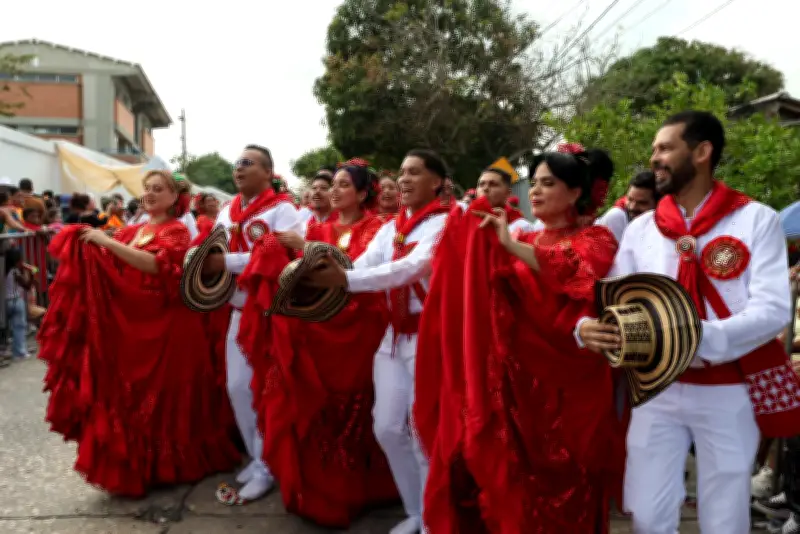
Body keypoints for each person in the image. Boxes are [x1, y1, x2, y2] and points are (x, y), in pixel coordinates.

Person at [577, 110, 795, 534]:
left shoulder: (756, 219)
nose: (654, 158)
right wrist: (586, 328)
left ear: (701, 152)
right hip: (656, 389)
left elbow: (772, 310)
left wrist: (691, 340)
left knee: (724, 514)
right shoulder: (644, 228)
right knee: (644, 511)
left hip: (729, 389)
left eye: (664, 148)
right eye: (655, 149)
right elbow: (614, 298)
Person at [417, 147, 625, 533]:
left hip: (573, 384)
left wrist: (509, 247)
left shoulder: (596, 238)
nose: (537, 192)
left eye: (549, 184)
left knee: (574, 476)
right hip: (521, 383)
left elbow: (577, 274)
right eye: (536, 183)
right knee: (519, 480)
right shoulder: (522, 234)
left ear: (575, 192)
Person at [37, 170, 240, 496]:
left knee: (165, 393)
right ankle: (144, 464)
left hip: (171, 325)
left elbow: (156, 266)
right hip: (140, 321)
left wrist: (105, 241)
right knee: (137, 395)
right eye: (146, 189)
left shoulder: (176, 231)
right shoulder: (137, 229)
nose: (149, 194)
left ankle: (173, 463)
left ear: (175, 197)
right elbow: (116, 258)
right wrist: (89, 243)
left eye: (158, 189)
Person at [303, 148, 451, 534]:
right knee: (385, 428)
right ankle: (416, 511)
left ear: (437, 182)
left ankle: (434, 521)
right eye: (401, 172)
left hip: (427, 339)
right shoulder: (392, 228)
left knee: (422, 433)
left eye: (414, 172)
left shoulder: (445, 223)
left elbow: (409, 268)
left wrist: (344, 279)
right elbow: (363, 264)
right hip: (392, 339)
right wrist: (318, 267)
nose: (403, 179)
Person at [263, 158, 398, 527]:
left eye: (342, 185)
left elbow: (356, 269)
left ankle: (365, 489)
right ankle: (320, 491)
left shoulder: (378, 227)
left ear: (361, 192)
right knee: (317, 407)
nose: (334, 190)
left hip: (358, 329)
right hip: (317, 329)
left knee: (355, 405)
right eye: (332, 184)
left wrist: (304, 246)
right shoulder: (318, 226)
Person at [201, 144, 303, 505]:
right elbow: (211, 252)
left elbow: (280, 257)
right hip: (237, 311)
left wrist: (224, 262)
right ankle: (259, 456)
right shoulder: (228, 210)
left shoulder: (284, 210)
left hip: (272, 315)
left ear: (268, 172)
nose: (238, 169)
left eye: (247, 163)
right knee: (237, 388)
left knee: (267, 392)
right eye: (236, 164)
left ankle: (266, 467)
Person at [475, 162, 537, 233]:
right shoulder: (466, 222)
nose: (485, 188)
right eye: (481, 184)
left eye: (493, 184)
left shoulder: (522, 227)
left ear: (508, 193)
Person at [4, 248, 33, 360]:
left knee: (7, 329)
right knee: (19, 328)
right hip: (15, 300)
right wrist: (31, 276)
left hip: (4, 303)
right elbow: (26, 286)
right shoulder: (15, 272)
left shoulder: (4, 271)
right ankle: (20, 352)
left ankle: (8, 349)